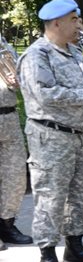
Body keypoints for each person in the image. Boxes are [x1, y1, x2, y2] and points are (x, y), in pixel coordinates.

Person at [18, 0, 83, 262]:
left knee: (81, 194)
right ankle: (47, 255)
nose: (79, 25)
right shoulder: (37, 55)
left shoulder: (76, 52)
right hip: (52, 137)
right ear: (56, 22)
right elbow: (43, 94)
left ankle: (75, 246)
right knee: (51, 197)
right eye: (74, 19)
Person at [0, 39, 33, 248]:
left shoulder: (4, 45)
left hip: (9, 116)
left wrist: (17, 79)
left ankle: (7, 224)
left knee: (16, 175)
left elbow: (19, 74)